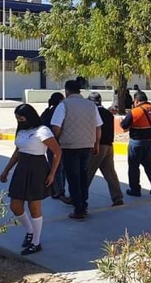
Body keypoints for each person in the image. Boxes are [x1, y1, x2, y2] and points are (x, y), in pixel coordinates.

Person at [0, 105, 61, 255]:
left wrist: (52, 173)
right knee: (15, 206)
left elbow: (57, 152)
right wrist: (7, 169)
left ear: (30, 116)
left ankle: (36, 242)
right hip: (21, 169)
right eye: (17, 119)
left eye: (21, 118)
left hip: (37, 169)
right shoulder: (21, 131)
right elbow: (18, 151)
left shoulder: (42, 130)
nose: (19, 121)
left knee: (34, 207)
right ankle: (29, 230)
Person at [50, 80, 102, 221]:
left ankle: (78, 209)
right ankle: (83, 204)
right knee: (83, 175)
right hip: (87, 145)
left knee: (73, 177)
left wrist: (55, 142)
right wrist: (96, 144)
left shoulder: (63, 105)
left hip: (69, 146)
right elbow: (98, 127)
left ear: (66, 91)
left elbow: (56, 127)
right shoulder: (91, 105)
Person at [86, 92, 124, 206]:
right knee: (110, 174)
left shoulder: (92, 113)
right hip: (109, 146)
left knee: (87, 173)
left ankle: (78, 197)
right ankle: (117, 197)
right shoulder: (108, 114)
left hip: (97, 146)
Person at [120, 91, 151, 197]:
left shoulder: (135, 111)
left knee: (134, 165)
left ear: (136, 101)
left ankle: (135, 189)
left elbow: (124, 125)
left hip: (137, 142)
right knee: (147, 162)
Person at [40, 92, 70, 205]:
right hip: (60, 143)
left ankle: (57, 190)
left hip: (50, 144)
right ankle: (59, 191)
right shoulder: (60, 111)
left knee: (56, 167)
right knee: (60, 168)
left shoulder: (46, 112)